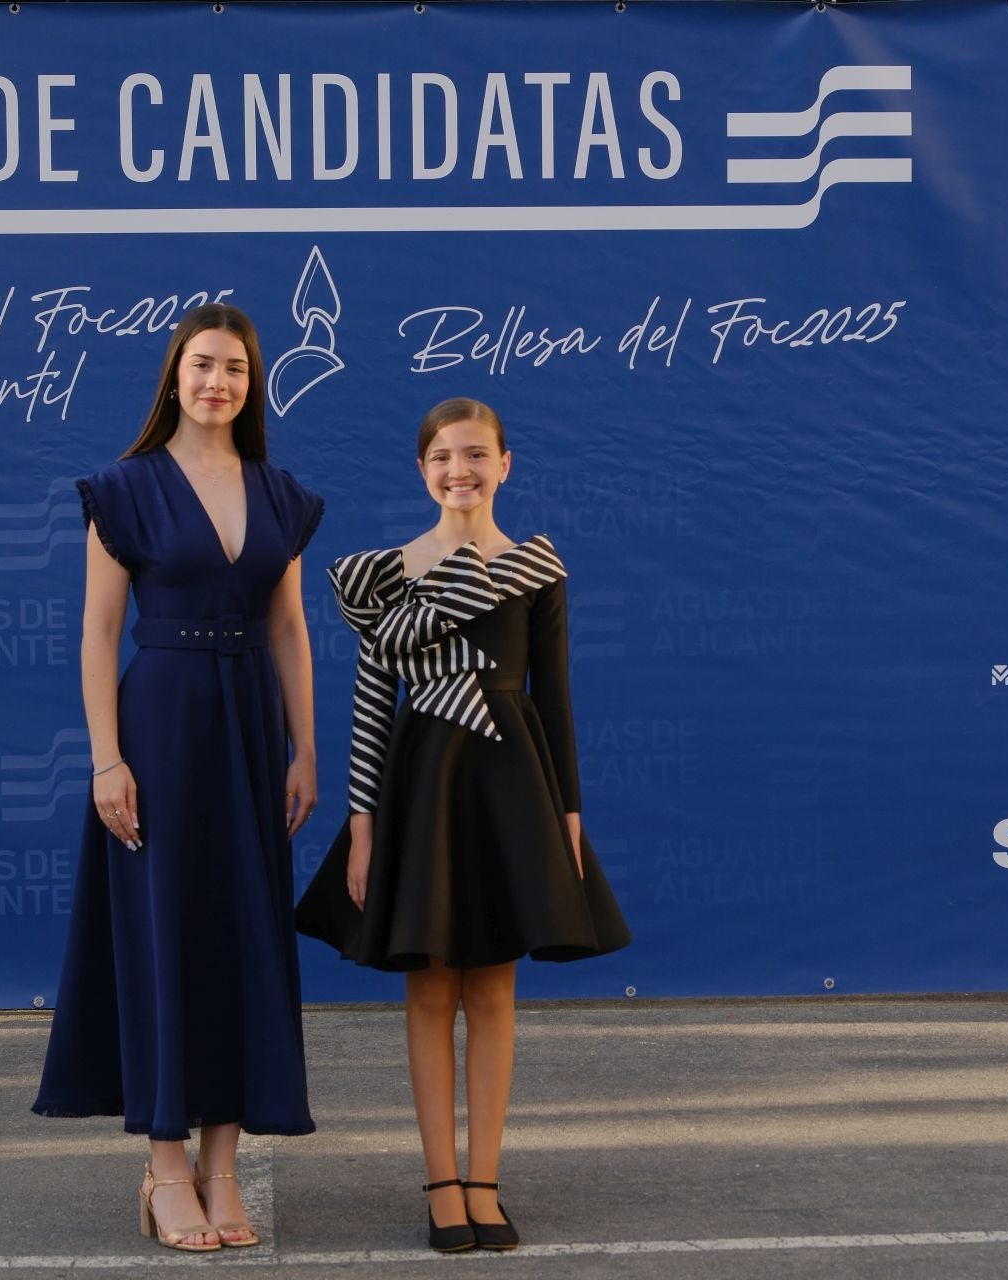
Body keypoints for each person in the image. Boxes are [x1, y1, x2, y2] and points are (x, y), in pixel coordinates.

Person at [295, 396, 631, 1253]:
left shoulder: (538, 568)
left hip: (511, 791)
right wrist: (362, 826)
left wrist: (568, 817)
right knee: (430, 984)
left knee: (493, 989)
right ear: (422, 470)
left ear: (505, 465)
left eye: (477, 456)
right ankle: (441, 1183)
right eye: (444, 457)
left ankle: (486, 1180)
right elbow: (374, 707)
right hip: (421, 790)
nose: (461, 471)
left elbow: (555, 703)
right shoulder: (385, 575)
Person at [32, 303, 324, 1253]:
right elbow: (98, 631)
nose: (217, 383)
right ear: (174, 376)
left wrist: (307, 750)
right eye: (202, 365)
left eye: (235, 369)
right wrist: (106, 759)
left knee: (240, 939)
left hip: (247, 731)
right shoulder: (124, 487)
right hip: (157, 728)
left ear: (253, 383)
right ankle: (164, 1170)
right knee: (164, 938)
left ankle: (222, 1165)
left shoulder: (279, 492)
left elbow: (288, 628)